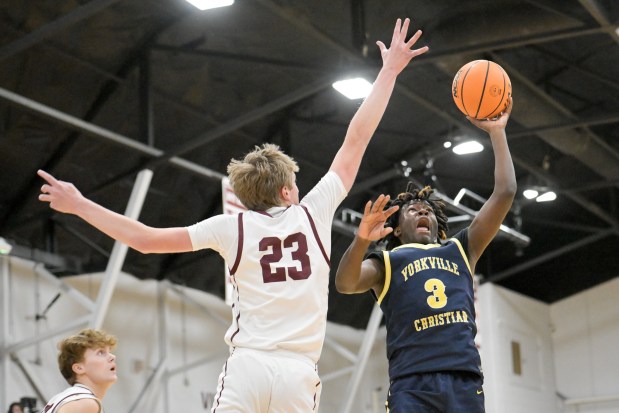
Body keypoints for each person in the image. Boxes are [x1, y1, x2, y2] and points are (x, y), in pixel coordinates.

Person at [37, 17, 429, 412]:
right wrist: (389, 71)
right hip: (298, 371)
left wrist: (79, 204)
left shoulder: (231, 226)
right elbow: (357, 137)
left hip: (249, 366)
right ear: (287, 191)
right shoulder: (311, 212)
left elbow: (144, 239)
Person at [335, 100, 515, 413]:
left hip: (464, 379)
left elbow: (506, 192)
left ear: (437, 225)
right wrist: (362, 239)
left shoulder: (460, 249)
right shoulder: (387, 261)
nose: (422, 210)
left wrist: (497, 133)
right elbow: (345, 284)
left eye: (428, 210)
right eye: (412, 209)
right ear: (396, 229)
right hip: (412, 383)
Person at [42, 329, 117, 413]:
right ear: (79, 368)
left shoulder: (69, 398)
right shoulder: (86, 402)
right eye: (100, 353)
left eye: (109, 351)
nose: (113, 357)